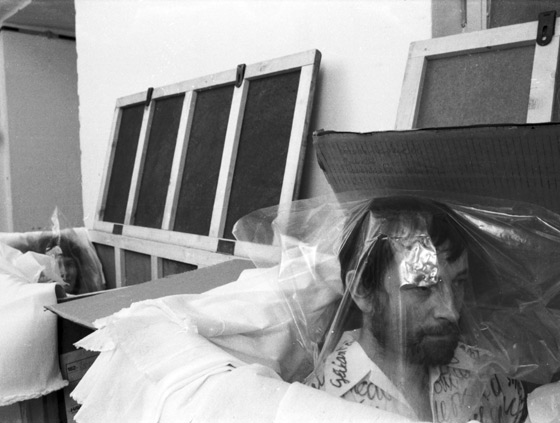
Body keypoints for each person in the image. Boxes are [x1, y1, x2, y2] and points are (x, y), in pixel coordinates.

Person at [306, 196, 527, 423]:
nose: (451, 311)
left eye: (459, 282)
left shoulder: (488, 376)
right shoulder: (318, 404)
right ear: (363, 290)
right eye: (423, 287)